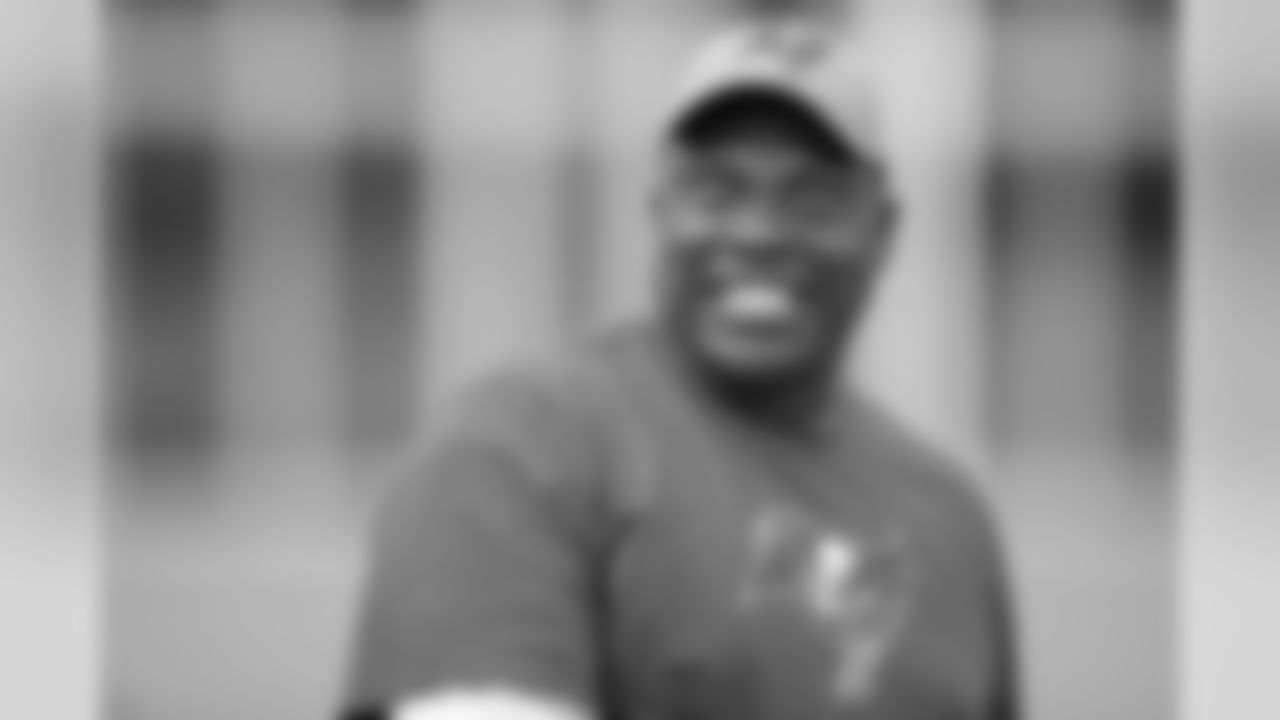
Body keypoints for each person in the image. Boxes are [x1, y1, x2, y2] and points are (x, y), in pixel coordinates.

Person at [342, 18, 1021, 720]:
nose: (758, 233)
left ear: (882, 230)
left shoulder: (949, 516)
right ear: (659, 211)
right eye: (715, 193)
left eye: (813, 201)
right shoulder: (521, 446)